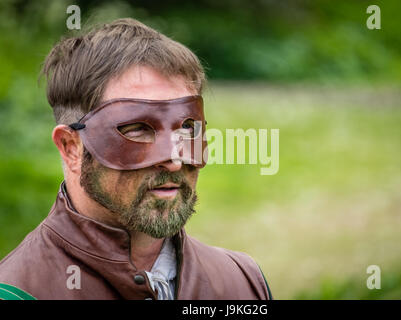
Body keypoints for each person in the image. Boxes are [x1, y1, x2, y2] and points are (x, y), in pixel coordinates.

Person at [0, 18, 272, 300]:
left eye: (187, 128)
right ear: (71, 148)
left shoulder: (242, 284)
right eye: (138, 130)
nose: (174, 162)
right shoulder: (18, 292)